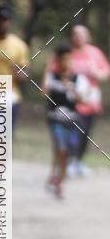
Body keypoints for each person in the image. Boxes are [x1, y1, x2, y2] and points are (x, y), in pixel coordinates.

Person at [44, 24, 110, 176]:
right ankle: (67, 161)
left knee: (86, 133)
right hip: (70, 103)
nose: (79, 37)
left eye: (82, 34)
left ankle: (78, 161)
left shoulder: (95, 53)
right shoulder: (67, 52)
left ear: (88, 36)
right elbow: (53, 72)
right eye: (76, 34)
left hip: (90, 100)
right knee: (72, 134)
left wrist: (98, 74)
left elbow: (106, 73)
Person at [42, 42, 92, 199]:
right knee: (61, 148)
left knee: (67, 153)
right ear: (58, 60)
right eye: (63, 59)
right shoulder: (52, 76)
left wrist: (72, 89)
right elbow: (43, 92)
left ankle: (58, 181)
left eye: (69, 59)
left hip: (72, 121)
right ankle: (55, 175)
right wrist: (47, 69)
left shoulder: (78, 79)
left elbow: (83, 101)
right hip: (55, 119)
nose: (66, 62)